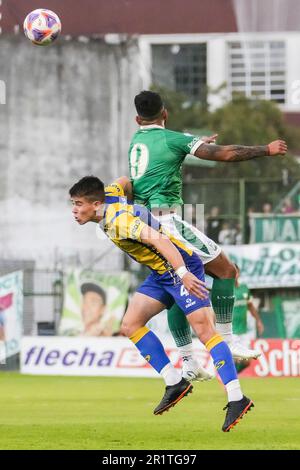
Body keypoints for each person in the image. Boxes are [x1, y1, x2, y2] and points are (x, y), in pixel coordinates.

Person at [70, 175, 255, 432]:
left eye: (78, 204)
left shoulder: (118, 221)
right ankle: (174, 381)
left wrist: (184, 275)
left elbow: (160, 240)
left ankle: (237, 398)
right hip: (160, 273)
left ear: (95, 204)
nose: (74, 210)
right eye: (73, 204)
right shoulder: (110, 197)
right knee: (130, 324)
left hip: (181, 267)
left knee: (206, 332)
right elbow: (124, 181)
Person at [128, 90, 287, 377]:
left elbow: (165, 149)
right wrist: (266, 149)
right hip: (168, 221)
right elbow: (224, 154)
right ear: (165, 113)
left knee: (180, 288)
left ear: (138, 118)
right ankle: (227, 339)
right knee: (227, 271)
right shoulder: (172, 139)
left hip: (146, 226)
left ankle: (189, 362)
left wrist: (192, 141)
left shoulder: (137, 141)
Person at [233, 265, 264, 374]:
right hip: (232, 332)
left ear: (239, 273)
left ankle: (228, 378)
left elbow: (250, 306)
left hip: (244, 331)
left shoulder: (244, 288)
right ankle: (229, 381)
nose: (235, 275)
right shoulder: (227, 290)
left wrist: (258, 321)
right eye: (233, 272)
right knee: (236, 359)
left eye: (236, 272)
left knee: (247, 362)